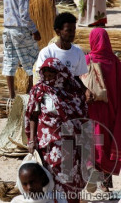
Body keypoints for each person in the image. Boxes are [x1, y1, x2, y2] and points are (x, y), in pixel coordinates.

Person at [26, 57, 91, 202]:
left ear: (60, 74)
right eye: (45, 76)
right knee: (50, 176)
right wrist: (31, 140)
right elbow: (33, 116)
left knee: (70, 175)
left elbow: (82, 115)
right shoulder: (39, 91)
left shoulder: (72, 91)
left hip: (70, 142)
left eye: (51, 76)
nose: (48, 79)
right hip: (48, 143)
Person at [86, 28, 121, 191]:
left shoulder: (87, 60)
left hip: (93, 112)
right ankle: (105, 183)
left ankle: (96, 179)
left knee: (95, 144)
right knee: (106, 145)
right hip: (111, 112)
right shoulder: (115, 62)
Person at [2, 0, 41, 98]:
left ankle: (12, 96)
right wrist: (34, 30)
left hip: (7, 29)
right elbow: (24, 14)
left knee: (9, 61)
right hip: (20, 29)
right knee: (33, 60)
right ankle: (31, 93)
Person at [36, 12, 88, 80]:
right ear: (58, 32)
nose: (72, 33)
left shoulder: (78, 52)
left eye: (74, 30)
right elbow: (43, 79)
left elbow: (76, 78)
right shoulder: (47, 53)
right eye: (68, 30)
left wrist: (86, 90)